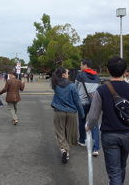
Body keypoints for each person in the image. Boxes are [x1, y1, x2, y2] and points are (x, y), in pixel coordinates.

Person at [85, 57, 129, 185]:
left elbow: (93, 116)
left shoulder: (102, 89)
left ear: (108, 71)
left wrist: (88, 126)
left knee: (114, 171)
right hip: (127, 133)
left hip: (110, 134)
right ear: (125, 71)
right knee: (122, 165)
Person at [51, 67, 84, 164]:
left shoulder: (55, 85)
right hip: (71, 113)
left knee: (60, 132)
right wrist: (82, 114)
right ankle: (67, 150)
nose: (68, 74)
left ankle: (64, 150)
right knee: (69, 133)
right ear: (63, 75)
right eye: (67, 73)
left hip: (59, 111)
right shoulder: (72, 86)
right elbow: (77, 101)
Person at [75, 59, 100, 156]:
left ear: (85, 65)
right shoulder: (97, 76)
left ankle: (82, 140)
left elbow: (75, 88)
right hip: (94, 103)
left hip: (82, 103)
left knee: (82, 121)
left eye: (81, 65)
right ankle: (96, 148)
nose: (80, 67)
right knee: (94, 124)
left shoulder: (80, 75)